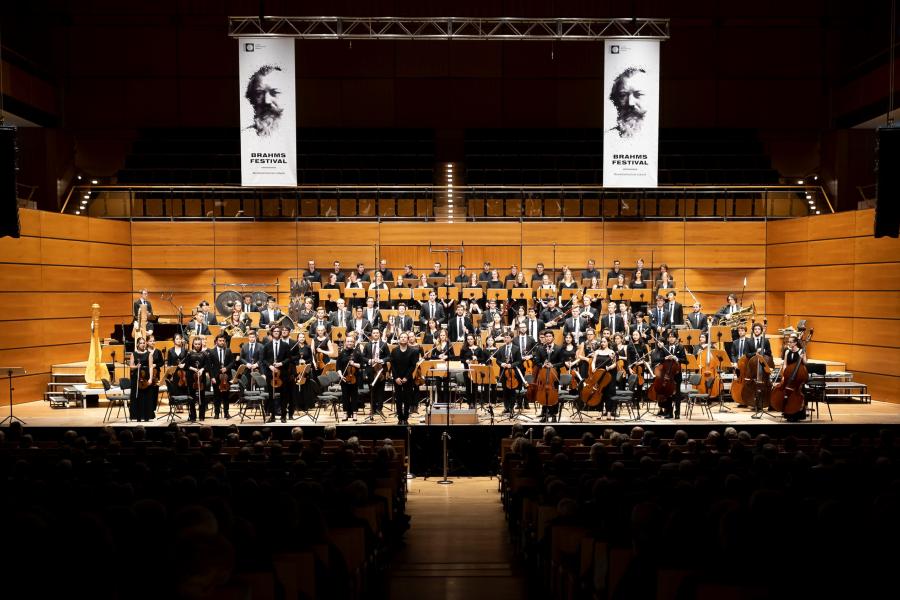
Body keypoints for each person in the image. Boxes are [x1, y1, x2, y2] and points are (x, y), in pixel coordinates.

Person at [244, 63, 289, 137]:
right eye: (259, 93)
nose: (267, 101)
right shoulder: (245, 136)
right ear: (252, 98)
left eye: (274, 92)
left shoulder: (292, 134)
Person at [608, 66, 650, 139]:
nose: (630, 103)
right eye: (623, 95)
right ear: (616, 100)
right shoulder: (608, 138)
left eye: (638, 94)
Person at [262, 325, 292, 423]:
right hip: (271, 375)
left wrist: (281, 363)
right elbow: (263, 359)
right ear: (272, 333)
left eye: (278, 331)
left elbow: (289, 358)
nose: (276, 333)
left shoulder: (285, 345)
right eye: (274, 331)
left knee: (284, 395)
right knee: (271, 396)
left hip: (283, 374)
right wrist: (270, 366)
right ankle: (273, 416)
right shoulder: (267, 345)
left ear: (280, 333)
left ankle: (283, 416)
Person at [390, 332, 420, 425]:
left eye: (405, 337)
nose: (403, 339)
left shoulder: (413, 351)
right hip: (397, 378)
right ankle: (400, 418)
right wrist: (396, 377)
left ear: (408, 339)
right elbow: (393, 365)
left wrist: (406, 377)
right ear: (399, 339)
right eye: (401, 337)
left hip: (408, 378)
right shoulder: (394, 351)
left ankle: (406, 418)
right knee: (398, 399)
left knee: (407, 399)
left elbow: (412, 366)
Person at [336, 336, 364, 422]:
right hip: (344, 378)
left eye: (351, 341)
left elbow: (361, 366)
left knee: (354, 396)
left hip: (355, 378)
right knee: (345, 396)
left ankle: (354, 413)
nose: (350, 343)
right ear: (345, 342)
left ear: (354, 343)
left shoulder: (357, 353)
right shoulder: (342, 353)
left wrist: (354, 364)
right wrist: (341, 376)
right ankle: (345, 413)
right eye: (348, 341)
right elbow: (338, 367)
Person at [207, 333, 234, 419]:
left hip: (226, 377)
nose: (222, 342)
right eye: (220, 341)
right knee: (216, 396)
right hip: (216, 377)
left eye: (223, 341)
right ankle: (217, 413)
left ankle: (226, 413)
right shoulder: (211, 351)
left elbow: (232, 362)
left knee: (226, 396)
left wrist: (226, 368)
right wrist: (212, 377)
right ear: (216, 342)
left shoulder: (228, 350)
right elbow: (209, 366)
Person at [497, 331, 523, 416]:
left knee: (512, 391)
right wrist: (502, 364)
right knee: (505, 391)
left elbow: (519, 361)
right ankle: (506, 407)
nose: (505, 339)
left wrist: (511, 365)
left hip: (513, 373)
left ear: (511, 338)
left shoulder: (516, 348)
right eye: (504, 337)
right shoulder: (501, 348)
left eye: (507, 337)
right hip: (504, 372)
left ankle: (511, 408)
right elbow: (497, 360)